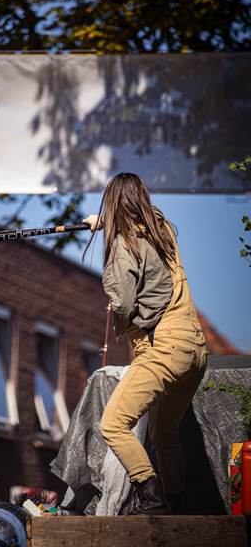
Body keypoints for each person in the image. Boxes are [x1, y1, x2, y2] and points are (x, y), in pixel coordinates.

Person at [83, 173, 208, 516]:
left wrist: (126, 326)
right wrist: (106, 220)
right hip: (196, 351)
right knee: (163, 432)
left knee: (113, 423)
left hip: (166, 346)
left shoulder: (125, 246)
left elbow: (122, 304)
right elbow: (143, 215)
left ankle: (154, 502)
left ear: (111, 202)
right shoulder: (162, 229)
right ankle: (177, 509)